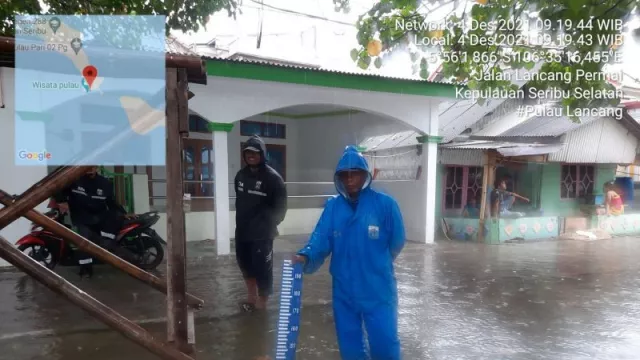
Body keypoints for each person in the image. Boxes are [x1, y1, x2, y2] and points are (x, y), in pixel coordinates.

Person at [292, 145, 406, 360]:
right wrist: (305, 255)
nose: (350, 179)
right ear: (339, 178)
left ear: (366, 175)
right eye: (345, 175)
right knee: (349, 344)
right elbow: (321, 238)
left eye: (355, 174)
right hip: (344, 289)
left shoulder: (385, 205)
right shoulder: (333, 207)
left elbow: (397, 241)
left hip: (378, 288)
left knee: (385, 342)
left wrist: (377, 263)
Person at [235, 135, 287, 312]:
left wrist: (266, 225)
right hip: (242, 232)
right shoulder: (240, 176)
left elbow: (281, 209)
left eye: (255, 153)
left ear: (262, 154)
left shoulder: (273, 179)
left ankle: (262, 303)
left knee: (262, 268)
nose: (251, 156)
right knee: (245, 265)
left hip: (262, 235)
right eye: (248, 152)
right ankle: (251, 298)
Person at [53, 166, 137, 277]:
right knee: (84, 241)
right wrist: (61, 201)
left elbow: (111, 202)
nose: (90, 168)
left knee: (106, 241)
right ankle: (86, 269)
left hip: (99, 218)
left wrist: (124, 213)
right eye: (87, 166)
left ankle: (125, 257)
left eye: (93, 166)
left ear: (96, 167)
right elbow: (57, 188)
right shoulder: (73, 180)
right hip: (81, 217)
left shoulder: (104, 183)